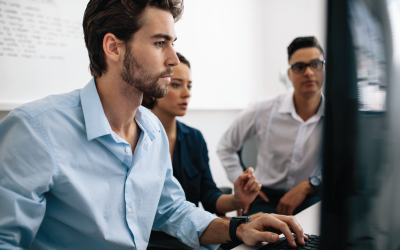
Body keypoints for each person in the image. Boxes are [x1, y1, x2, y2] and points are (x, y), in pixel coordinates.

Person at [0, 1, 308, 249]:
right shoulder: (35, 130)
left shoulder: (151, 131)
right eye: (160, 43)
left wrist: (240, 228)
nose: (173, 59)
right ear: (113, 47)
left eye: (172, 43)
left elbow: (173, 210)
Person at [142, 53, 261, 219]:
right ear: (153, 88)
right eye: (176, 85)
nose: (187, 94)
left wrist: (236, 200)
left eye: (189, 86)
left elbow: (208, 194)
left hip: (189, 234)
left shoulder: (194, 138)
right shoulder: (136, 137)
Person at [217, 37, 325, 216]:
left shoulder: (338, 117)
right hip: (265, 197)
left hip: (310, 194)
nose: (309, 72)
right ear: (289, 74)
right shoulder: (263, 109)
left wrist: (310, 184)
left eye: (315, 64)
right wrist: (243, 186)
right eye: (299, 67)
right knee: (258, 239)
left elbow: (344, 166)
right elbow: (225, 146)